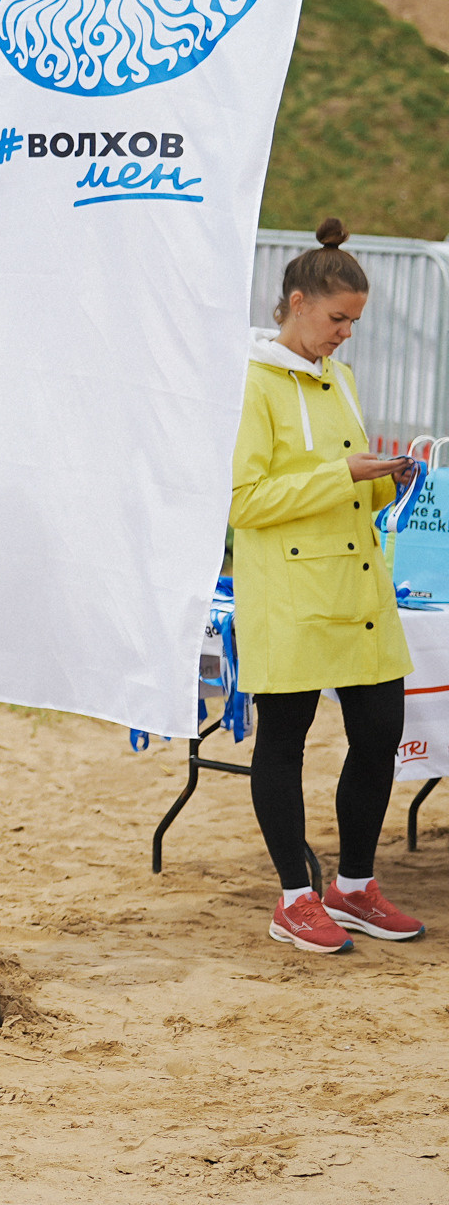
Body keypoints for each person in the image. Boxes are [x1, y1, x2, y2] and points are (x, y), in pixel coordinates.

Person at [231, 219, 425, 953]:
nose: (347, 334)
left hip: (357, 592)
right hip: (288, 595)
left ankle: (353, 887)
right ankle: (293, 895)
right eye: (339, 318)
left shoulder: (339, 377)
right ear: (297, 301)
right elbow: (243, 502)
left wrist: (391, 482)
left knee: (380, 734)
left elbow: (342, 488)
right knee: (284, 742)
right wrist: (345, 473)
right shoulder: (251, 384)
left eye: (355, 322)